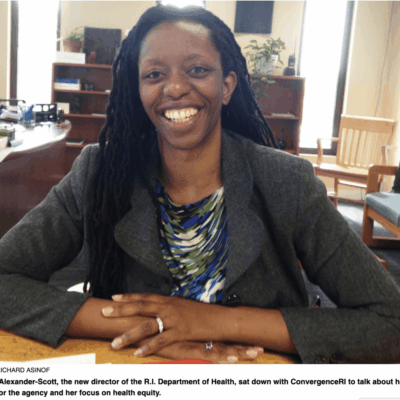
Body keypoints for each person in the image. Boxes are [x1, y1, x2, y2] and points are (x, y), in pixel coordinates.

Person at [1, 4, 400, 364]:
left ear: (226, 86)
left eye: (197, 70)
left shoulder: (287, 182)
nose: (174, 88)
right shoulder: (99, 172)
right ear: (138, 90)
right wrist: (156, 324)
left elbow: (390, 322)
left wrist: (213, 321)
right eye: (155, 74)